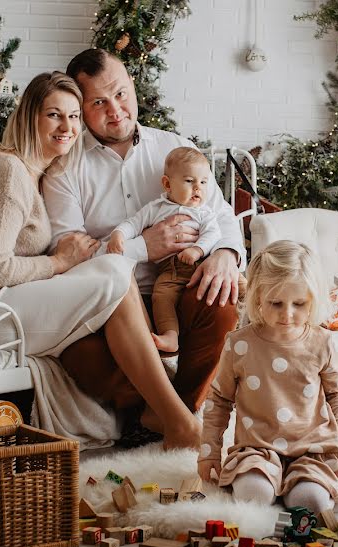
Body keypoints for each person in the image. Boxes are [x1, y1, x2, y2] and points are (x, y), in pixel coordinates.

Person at [0, 71, 200, 449]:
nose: (67, 126)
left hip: (2, 298)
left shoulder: (36, 171)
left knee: (112, 264)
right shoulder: (5, 172)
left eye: (74, 116)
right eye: (53, 115)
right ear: (29, 116)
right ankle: (176, 418)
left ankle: (161, 408)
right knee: (113, 267)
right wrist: (60, 263)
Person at [42, 48, 243, 420]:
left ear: (133, 85)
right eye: (98, 102)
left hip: (180, 283)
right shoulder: (64, 168)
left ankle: (173, 416)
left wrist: (225, 255)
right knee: (79, 355)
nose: (115, 110)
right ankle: (161, 418)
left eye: (120, 94)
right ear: (80, 108)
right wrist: (140, 248)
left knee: (221, 306)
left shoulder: (173, 147)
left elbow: (222, 215)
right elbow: (67, 255)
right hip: (107, 307)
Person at [198, 241, 338, 514]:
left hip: (312, 449)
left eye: (299, 303)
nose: (287, 314)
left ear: (313, 299)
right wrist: (210, 451)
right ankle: (271, 483)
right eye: (276, 303)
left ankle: (298, 484)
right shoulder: (239, 344)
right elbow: (219, 401)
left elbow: (337, 394)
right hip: (256, 449)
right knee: (253, 496)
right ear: (258, 298)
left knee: (310, 502)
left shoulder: (322, 342)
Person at [106, 147, 221, 352]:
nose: (198, 188)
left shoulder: (204, 212)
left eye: (203, 182)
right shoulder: (156, 208)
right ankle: (170, 335)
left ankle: (259, 302)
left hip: (201, 263)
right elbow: (133, 223)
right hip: (170, 270)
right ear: (167, 184)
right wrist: (118, 234)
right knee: (161, 296)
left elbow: (213, 234)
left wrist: (197, 250)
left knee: (235, 282)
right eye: (189, 181)